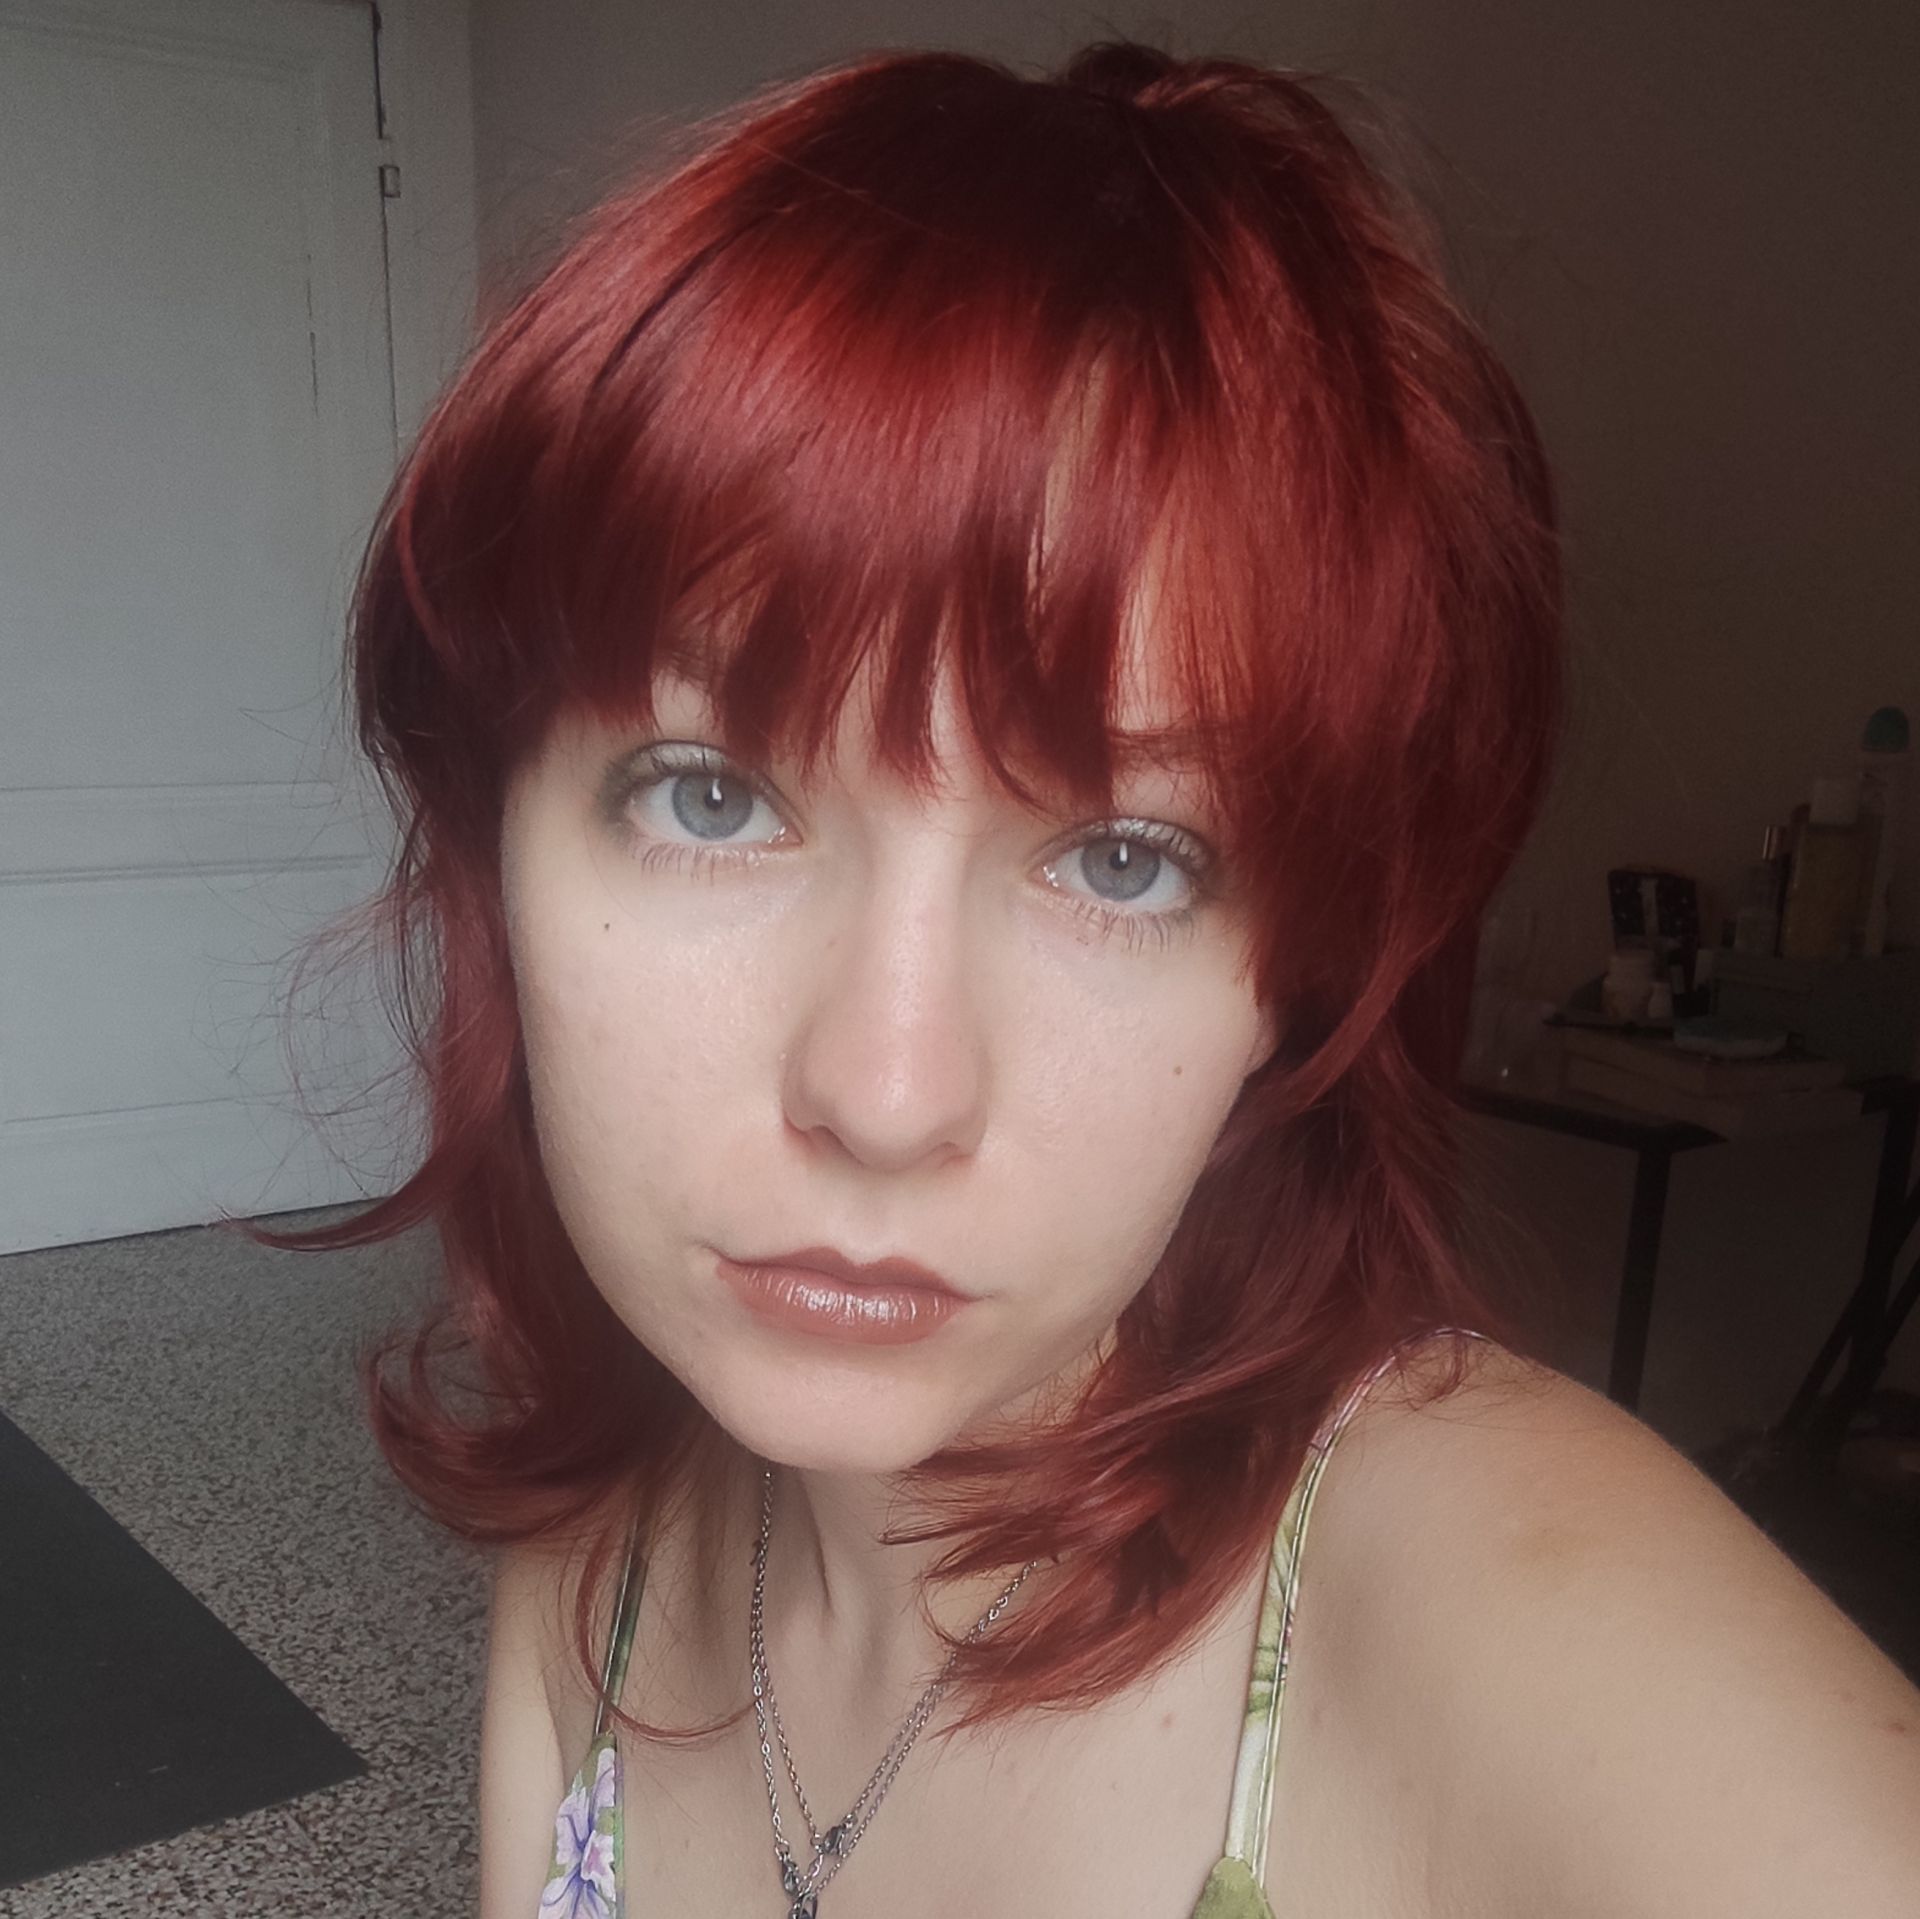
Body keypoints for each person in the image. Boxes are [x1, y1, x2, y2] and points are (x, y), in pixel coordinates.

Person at [262, 40, 1920, 1918]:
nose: (888, 1092)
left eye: (1126, 859)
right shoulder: (595, 1559)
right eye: (709, 796)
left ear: (1289, 981)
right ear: (498, 851)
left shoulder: (1489, 1614)